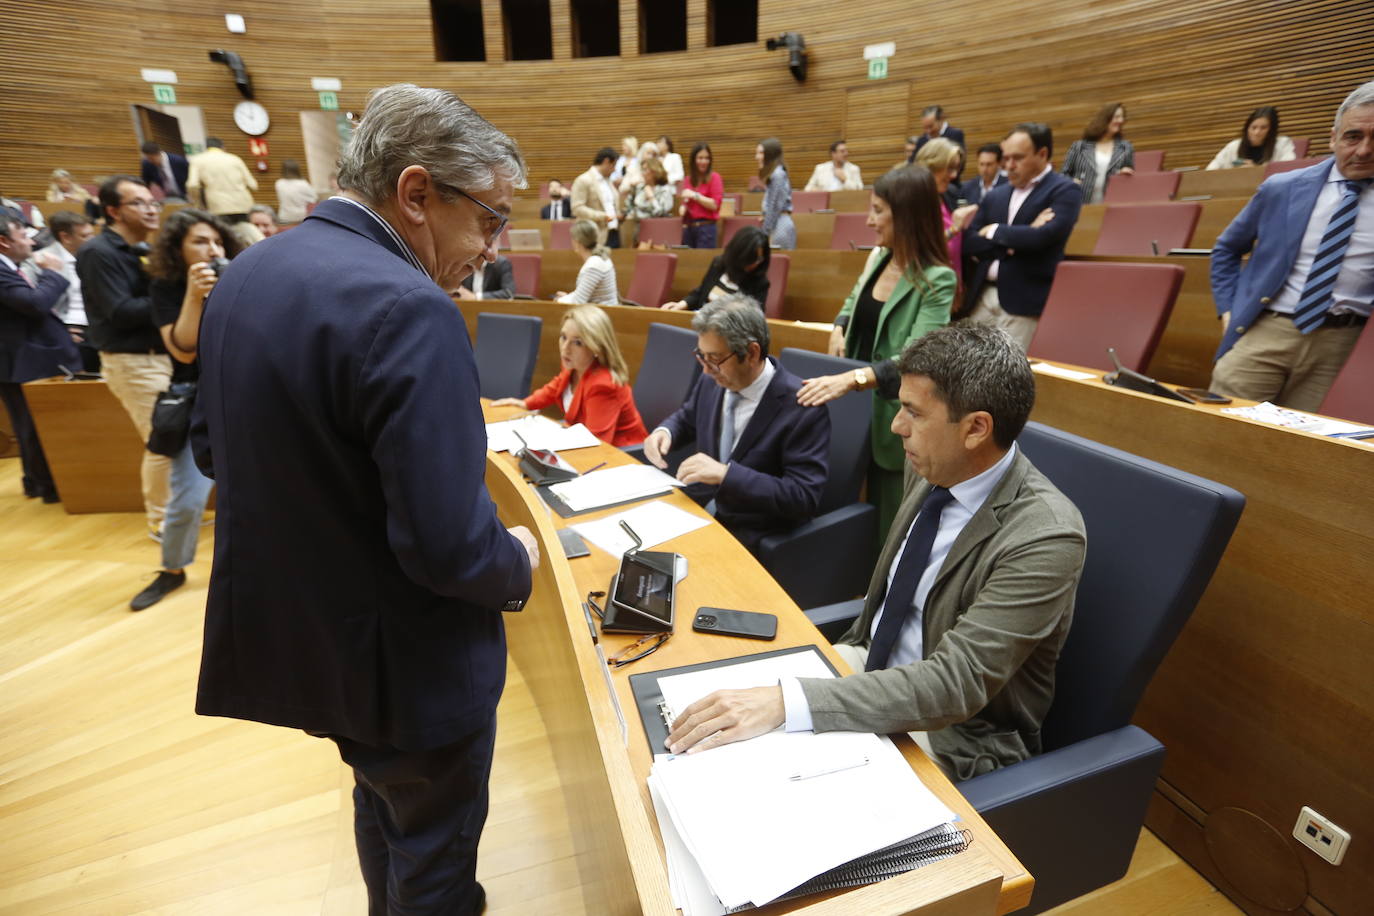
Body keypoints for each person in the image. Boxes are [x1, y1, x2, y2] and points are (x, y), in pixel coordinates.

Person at [191, 83, 539, 915]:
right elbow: (450, 548)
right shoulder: (410, 308)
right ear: (417, 193)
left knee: (385, 808)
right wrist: (516, 562)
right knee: (437, 862)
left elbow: (214, 450)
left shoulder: (249, 274)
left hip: (321, 648)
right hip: (412, 669)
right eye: (490, 216)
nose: (493, 245)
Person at [666, 325, 1087, 782]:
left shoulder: (1045, 535)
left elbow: (954, 685)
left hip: (955, 732)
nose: (896, 425)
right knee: (711, 725)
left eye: (912, 412)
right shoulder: (932, 466)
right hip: (871, 667)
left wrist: (787, 702)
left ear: (976, 429)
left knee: (770, 779)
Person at [798, 165, 956, 538]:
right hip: (852, 414)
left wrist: (854, 379)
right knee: (837, 513)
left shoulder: (938, 279)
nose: (869, 221)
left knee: (886, 528)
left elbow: (919, 355)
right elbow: (854, 299)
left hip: (894, 419)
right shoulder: (880, 259)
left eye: (878, 210)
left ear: (906, 215)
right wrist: (839, 324)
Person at [1208, 81, 1374, 412]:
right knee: (1219, 434)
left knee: (1305, 452)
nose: (1364, 150)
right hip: (1267, 330)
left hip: (1345, 345)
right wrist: (1228, 308)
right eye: (1353, 136)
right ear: (1333, 137)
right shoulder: (1281, 188)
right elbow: (1226, 249)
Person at [643, 295, 829, 551]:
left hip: (752, 537)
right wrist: (666, 431)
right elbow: (689, 417)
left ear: (751, 353)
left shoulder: (802, 407)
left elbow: (802, 497)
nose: (706, 370)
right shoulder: (712, 379)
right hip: (696, 514)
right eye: (701, 356)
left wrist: (726, 475)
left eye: (715, 359)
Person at [134, 209, 238, 610]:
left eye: (215, 241)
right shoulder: (166, 288)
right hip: (199, 399)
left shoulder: (240, 274)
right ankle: (172, 570)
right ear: (178, 250)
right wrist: (194, 296)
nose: (211, 249)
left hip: (247, 391)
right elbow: (183, 349)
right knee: (189, 498)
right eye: (199, 241)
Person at [77, 176, 173, 539]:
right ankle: (161, 521)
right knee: (162, 440)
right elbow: (120, 311)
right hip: (131, 360)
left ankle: (176, 513)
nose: (150, 209)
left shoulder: (143, 249)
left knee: (173, 438)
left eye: (153, 202)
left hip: (158, 356)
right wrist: (180, 300)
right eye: (139, 203)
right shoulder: (98, 252)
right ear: (114, 211)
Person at [962, 122, 1084, 350]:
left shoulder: (1065, 190)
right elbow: (969, 242)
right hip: (981, 296)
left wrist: (994, 230)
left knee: (1006, 380)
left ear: (1042, 154)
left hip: (1023, 301)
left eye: (1017, 158)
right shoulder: (997, 194)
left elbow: (1043, 237)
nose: (1009, 165)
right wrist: (1013, 242)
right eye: (1006, 158)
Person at [0, 211, 79, 503]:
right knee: (31, 426)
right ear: (3, 241)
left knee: (28, 425)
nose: (29, 241)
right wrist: (55, 273)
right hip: (20, 360)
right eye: (22, 235)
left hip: (23, 357)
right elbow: (34, 303)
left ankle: (35, 481)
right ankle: (47, 486)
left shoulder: (12, 265)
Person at [491, 305, 647, 446]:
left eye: (577, 342)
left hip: (624, 458)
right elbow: (554, 388)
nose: (565, 348)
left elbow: (595, 444)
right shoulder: (574, 366)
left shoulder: (603, 385)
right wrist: (525, 404)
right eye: (563, 337)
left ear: (596, 347)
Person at [38, 211, 99, 373]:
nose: (93, 240)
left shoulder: (95, 256)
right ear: (66, 237)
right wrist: (60, 330)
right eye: (85, 236)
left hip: (98, 328)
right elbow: (33, 303)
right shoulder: (40, 260)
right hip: (69, 331)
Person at [662, 225, 770, 311]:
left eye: (759, 259)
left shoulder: (760, 283)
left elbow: (755, 318)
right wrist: (680, 305)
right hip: (701, 321)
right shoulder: (718, 264)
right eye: (750, 259)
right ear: (738, 254)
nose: (754, 264)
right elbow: (701, 292)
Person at [915, 138, 968, 283]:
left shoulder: (950, 192)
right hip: (926, 283)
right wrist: (953, 230)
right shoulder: (912, 198)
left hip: (953, 279)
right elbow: (917, 246)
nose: (954, 175)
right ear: (932, 165)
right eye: (950, 168)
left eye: (956, 168)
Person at [1061, 103, 1135, 204]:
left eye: (1122, 117)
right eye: (1117, 117)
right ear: (1105, 119)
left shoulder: (1126, 147)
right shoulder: (1079, 146)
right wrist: (1071, 182)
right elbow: (1063, 174)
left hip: (1110, 206)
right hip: (1079, 204)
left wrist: (1125, 173)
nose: (1121, 121)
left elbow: (1130, 178)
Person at [186, 137, 258, 223]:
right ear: (223, 147)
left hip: (218, 207)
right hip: (244, 205)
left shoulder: (198, 160)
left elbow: (192, 185)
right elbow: (253, 185)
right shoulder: (235, 159)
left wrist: (197, 203)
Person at [1206, 106, 1298, 170]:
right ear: (1247, 128)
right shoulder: (1233, 146)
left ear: (1271, 130)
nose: (1257, 132)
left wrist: (1256, 170)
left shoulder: (1283, 144)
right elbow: (1211, 169)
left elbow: (1288, 169)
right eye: (1253, 127)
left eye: (1263, 128)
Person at [555, 219, 619, 305]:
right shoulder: (599, 258)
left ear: (577, 241)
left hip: (602, 315)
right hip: (599, 312)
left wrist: (559, 301)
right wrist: (566, 297)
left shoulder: (594, 264)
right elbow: (583, 294)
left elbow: (578, 302)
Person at [571, 147, 621, 248]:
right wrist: (602, 216)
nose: (615, 169)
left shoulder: (608, 181)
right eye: (614, 165)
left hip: (613, 231)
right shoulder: (583, 180)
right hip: (595, 234)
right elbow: (577, 208)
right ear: (606, 161)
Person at [680, 142, 723, 248]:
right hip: (689, 228)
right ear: (694, 160)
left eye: (706, 158)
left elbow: (714, 205)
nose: (704, 161)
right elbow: (684, 206)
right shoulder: (688, 180)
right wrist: (683, 206)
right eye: (700, 158)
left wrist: (695, 195)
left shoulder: (715, 177)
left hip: (706, 228)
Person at [757, 138, 796, 250]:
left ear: (770, 154)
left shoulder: (778, 175)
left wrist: (764, 232)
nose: (757, 157)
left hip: (780, 226)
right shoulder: (777, 174)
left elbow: (774, 207)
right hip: (777, 224)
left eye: (760, 153)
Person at [621, 159, 674, 224]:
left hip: (657, 227)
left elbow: (661, 214)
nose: (642, 173)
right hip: (638, 226)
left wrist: (651, 198)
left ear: (654, 172)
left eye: (645, 170)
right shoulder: (639, 187)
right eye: (642, 170)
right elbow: (628, 207)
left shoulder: (665, 190)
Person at [273, 158, 318, 223]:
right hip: (301, 217)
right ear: (297, 170)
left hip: (284, 217)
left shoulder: (279, 183)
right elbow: (314, 198)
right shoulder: (303, 184)